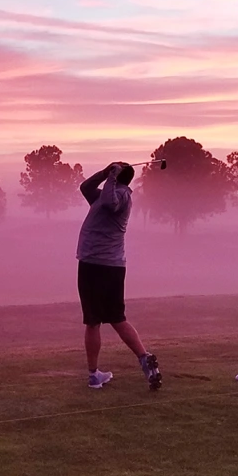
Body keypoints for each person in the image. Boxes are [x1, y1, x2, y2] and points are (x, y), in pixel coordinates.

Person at [76, 161, 160, 390]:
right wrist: (104, 173)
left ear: (119, 177)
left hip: (100, 265)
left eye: (114, 172)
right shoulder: (104, 195)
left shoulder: (121, 196)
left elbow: (110, 202)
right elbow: (85, 187)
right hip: (103, 264)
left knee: (100, 320)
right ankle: (143, 359)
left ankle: (97, 374)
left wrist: (111, 177)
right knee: (109, 319)